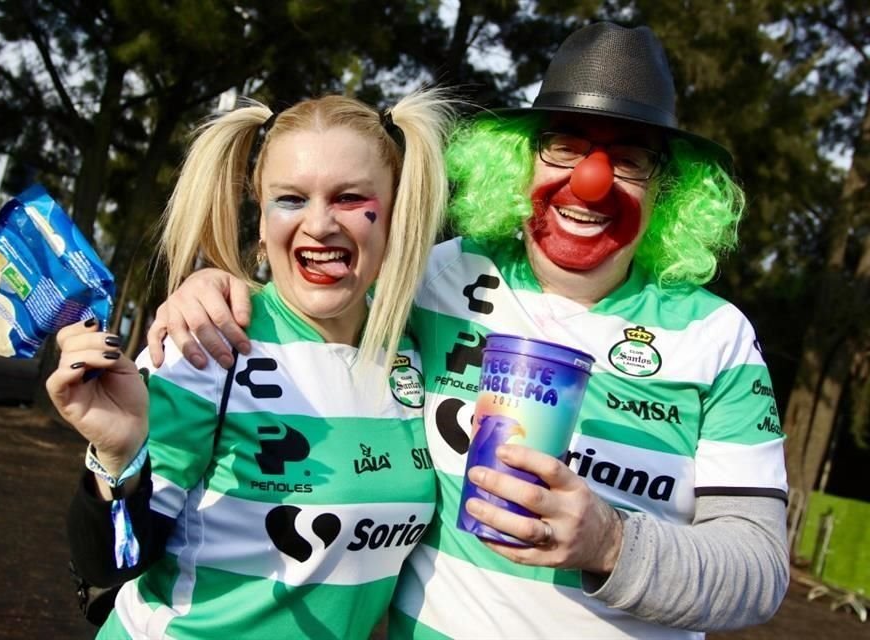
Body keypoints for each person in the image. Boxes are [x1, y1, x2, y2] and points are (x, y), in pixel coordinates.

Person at [148, 23, 790, 638]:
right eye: (563, 146)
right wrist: (213, 286)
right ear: (522, 161)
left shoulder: (716, 338)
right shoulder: (436, 280)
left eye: (629, 160)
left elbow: (760, 567)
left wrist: (611, 542)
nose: (588, 181)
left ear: (669, 188)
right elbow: (314, 283)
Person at [49, 89, 455, 638]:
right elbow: (111, 565)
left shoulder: (415, 351)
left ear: (395, 215)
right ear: (261, 223)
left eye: (349, 198)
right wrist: (118, 460)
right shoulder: (209, 344)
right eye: (290, 199)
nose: (319, 225)